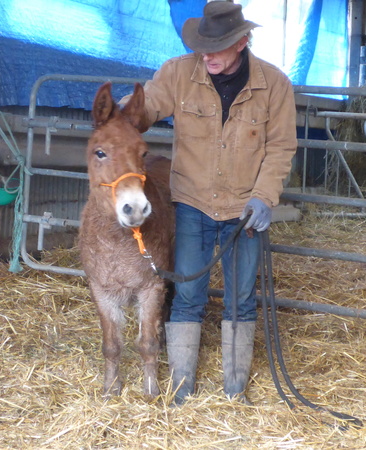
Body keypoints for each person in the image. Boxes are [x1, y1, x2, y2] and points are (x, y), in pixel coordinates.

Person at [124, 1, 298, 404]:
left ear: (242, 41)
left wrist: (264, 197)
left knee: (240, 299)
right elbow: (147, 107)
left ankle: (235, 390)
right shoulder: (178, 73)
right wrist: (121, 118)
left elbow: (281, 147)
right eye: (203, 45)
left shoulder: (274, 85)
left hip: (244, 210)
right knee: (186, 295)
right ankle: (182, 389)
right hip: (193, 202)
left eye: (217, 46)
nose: (208, 55)